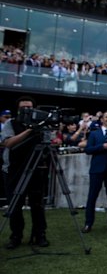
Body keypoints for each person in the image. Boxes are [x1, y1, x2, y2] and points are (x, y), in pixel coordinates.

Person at [1, 96, 49, 249]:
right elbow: (7, 143)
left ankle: (40, 235)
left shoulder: (42, 124)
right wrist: (29, 131)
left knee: (37, 205)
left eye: (29, 107)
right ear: (18, 110)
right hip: (13, 170)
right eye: (23, 108)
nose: (26, 110)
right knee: (15, 205)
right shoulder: (10, 124)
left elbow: (48, 144)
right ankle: (16, 236)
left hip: (36, 169)